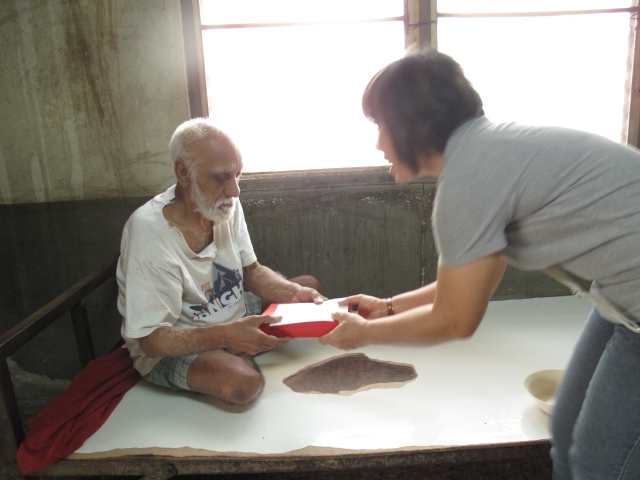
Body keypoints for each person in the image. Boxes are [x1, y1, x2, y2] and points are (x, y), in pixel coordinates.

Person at [319, 48, 640, 479]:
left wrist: (363, 334)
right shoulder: (488, 150)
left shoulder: (469, 180)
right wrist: (389, 306)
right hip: (620, 299)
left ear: (411, 123)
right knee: (565, 431)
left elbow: (455, 319)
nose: (378, 144)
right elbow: (473, 285)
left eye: (380, 125)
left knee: (602, 466)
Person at [117, 118, 324, 405]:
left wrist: (292, 292)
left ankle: (238, 347)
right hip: (176, 341)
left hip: (229, 313)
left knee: (307, 290)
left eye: (238, 175)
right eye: (221, 177)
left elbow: (252, 271)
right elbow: (151, 341)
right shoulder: (150, 234)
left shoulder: (225, 204)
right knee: (243, 384)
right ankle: (236, 351)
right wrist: (227, 336)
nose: (234, 190)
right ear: (183, 173)